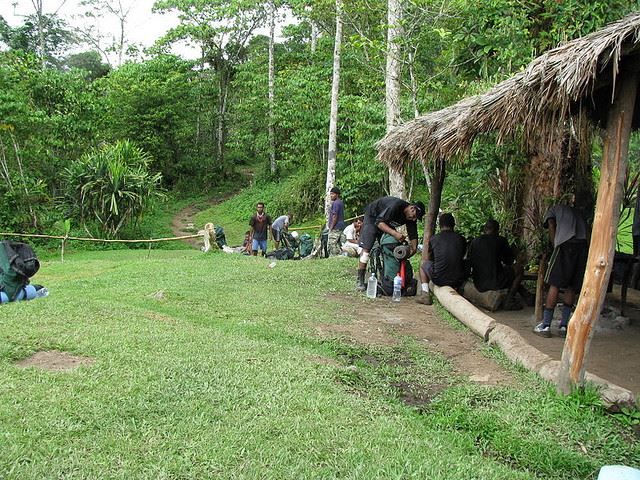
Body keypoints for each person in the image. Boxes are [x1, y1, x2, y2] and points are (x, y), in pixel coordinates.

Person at [534, 200, 588, 337]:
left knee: (555, 283)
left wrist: (554, 244)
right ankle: (564, 326)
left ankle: (546, 326)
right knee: (571, 286)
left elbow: (551, 224)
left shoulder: (553, 210)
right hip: (582, 246)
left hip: (565, 245)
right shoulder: (576, 212)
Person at [355, 196, 425, 291]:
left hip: (384, 222)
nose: (413, 219)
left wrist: (413, 249)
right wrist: (395, 234)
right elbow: (379, 223)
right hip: (373, 218)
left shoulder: (410, 218)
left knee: (390, 246)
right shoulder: (395, 206)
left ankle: (387, 277)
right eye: (414, 216)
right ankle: (360, 279)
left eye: (416, 218)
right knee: (367, 249)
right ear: (412, 208)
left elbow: (413, 235)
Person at [468, 219, 525, 309]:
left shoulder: (475, 241)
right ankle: (509, 300)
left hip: (478, 283)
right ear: (498, 230)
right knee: (519, 269)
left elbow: (469, 261)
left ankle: (526, 295)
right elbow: (509, 262)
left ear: (485, 229)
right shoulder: (500, 240)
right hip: (494, 282)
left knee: (506, 273)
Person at [417, 213, 467, 305]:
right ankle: (459, 288)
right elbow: (462, 256)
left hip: (439, 279)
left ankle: (425, 294)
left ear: (440, 225)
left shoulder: (434, 239)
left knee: (423, 263)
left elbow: (429, 259)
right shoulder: (461, 239)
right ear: (453, 224)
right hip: (458, 279)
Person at [327, 187, 346, 256]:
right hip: (341, 226)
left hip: (336, 227)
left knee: (332, 244)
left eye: (332, 194)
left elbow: (335, 217)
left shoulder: (336, 203)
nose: (331, 196)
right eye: (330, 194)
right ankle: (340, 255)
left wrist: (331, 227)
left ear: (337, 195)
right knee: (338, 243)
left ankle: (334, 257)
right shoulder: (340, 202)